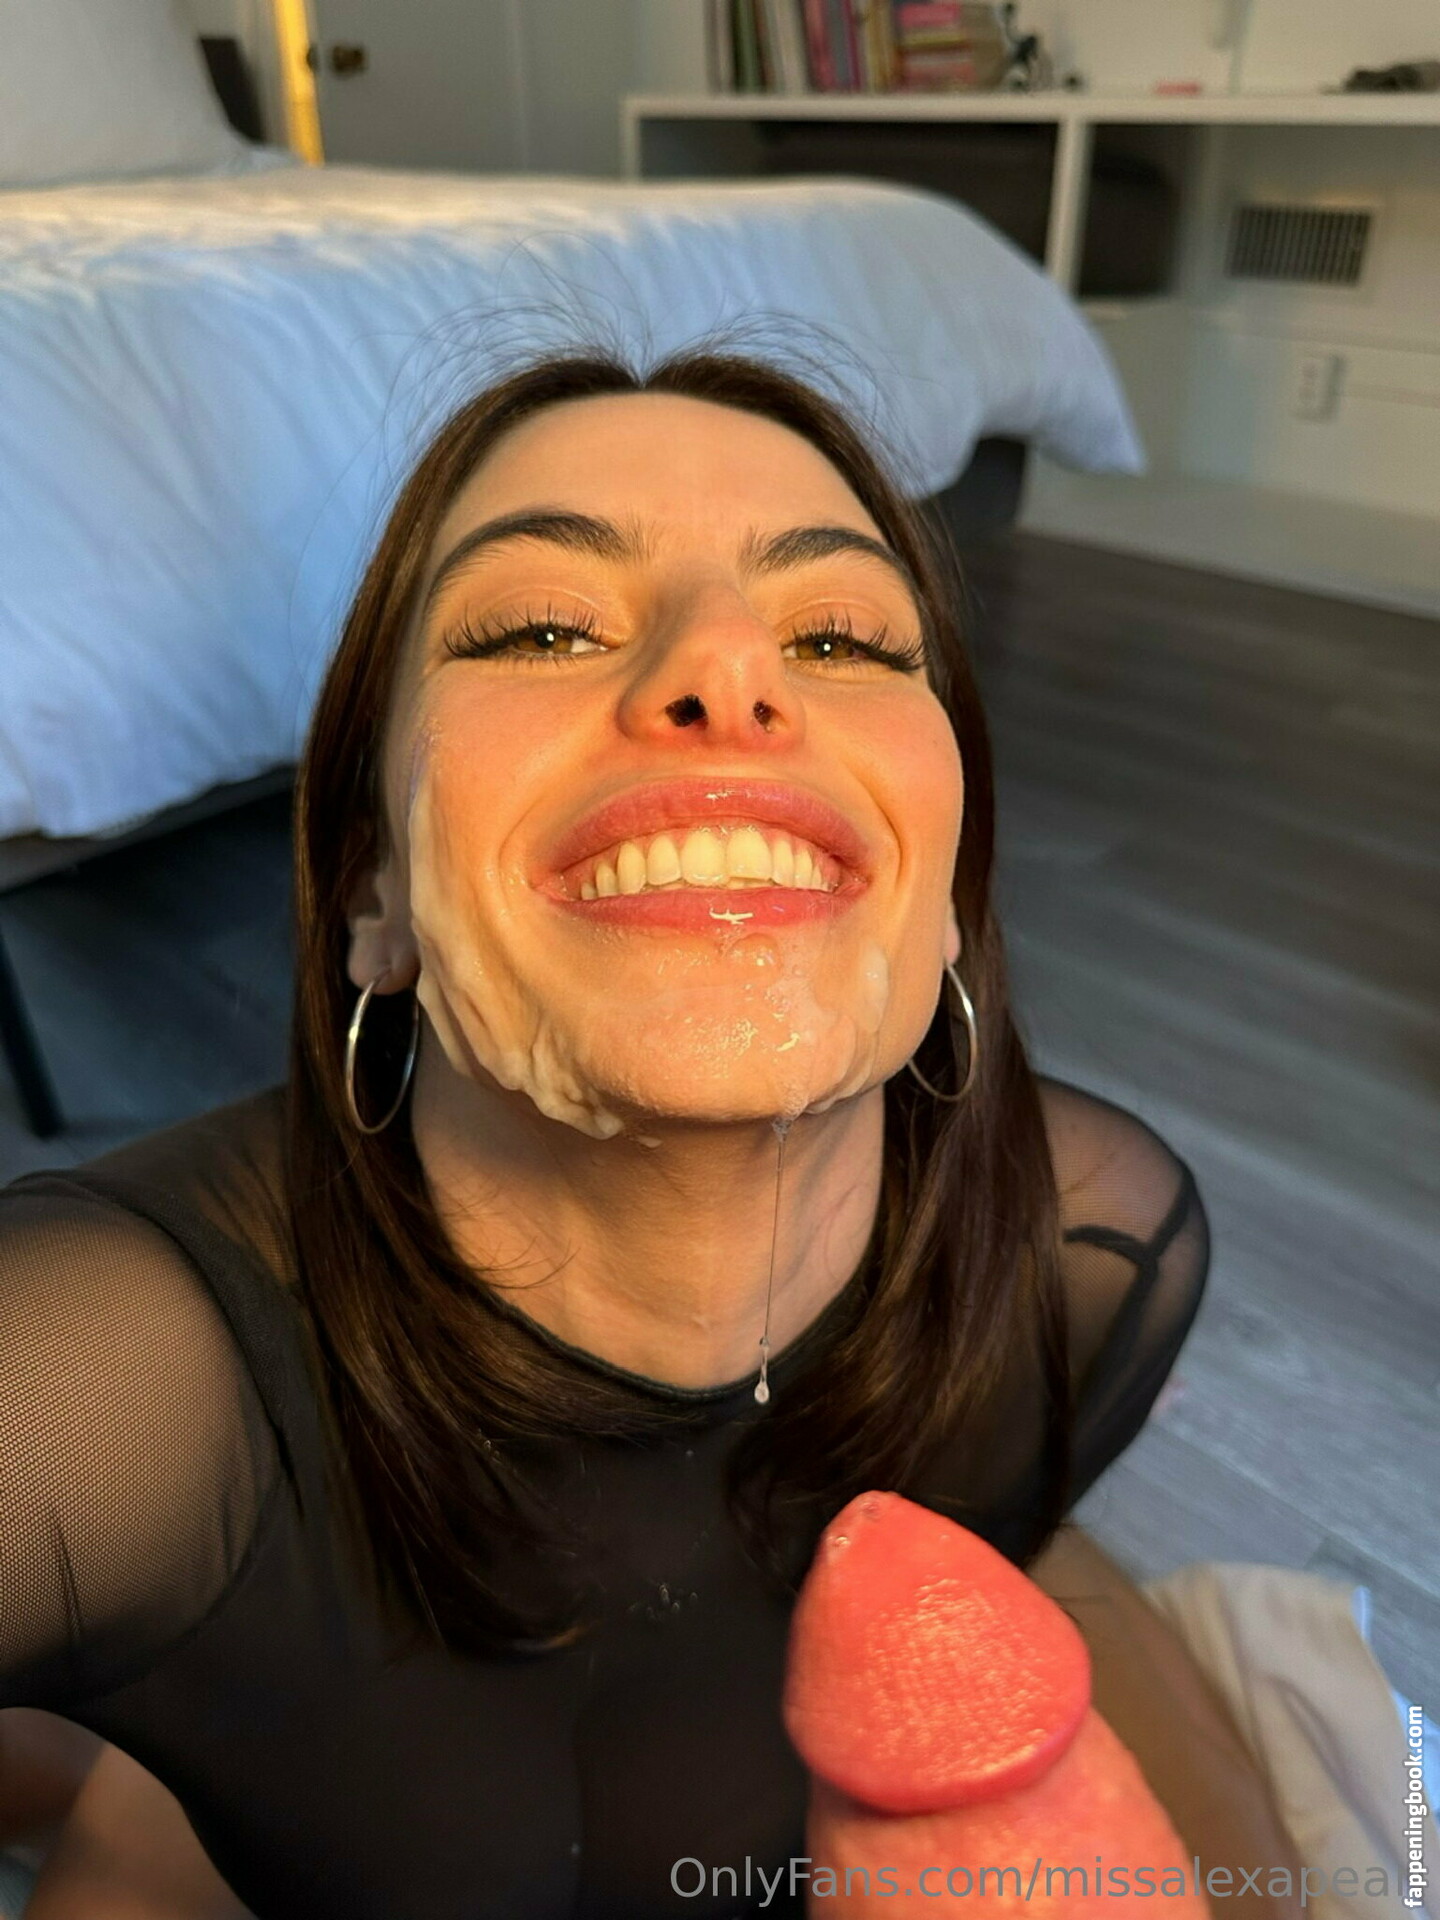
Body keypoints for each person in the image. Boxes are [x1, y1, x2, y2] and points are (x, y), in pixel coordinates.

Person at [0, 351, 1305, 1919]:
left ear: (951, 900)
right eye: (542, 627)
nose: (729, 670)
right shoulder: (96, 1386)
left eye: (839, 637)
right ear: (369, 892)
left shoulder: (1089, 1257)